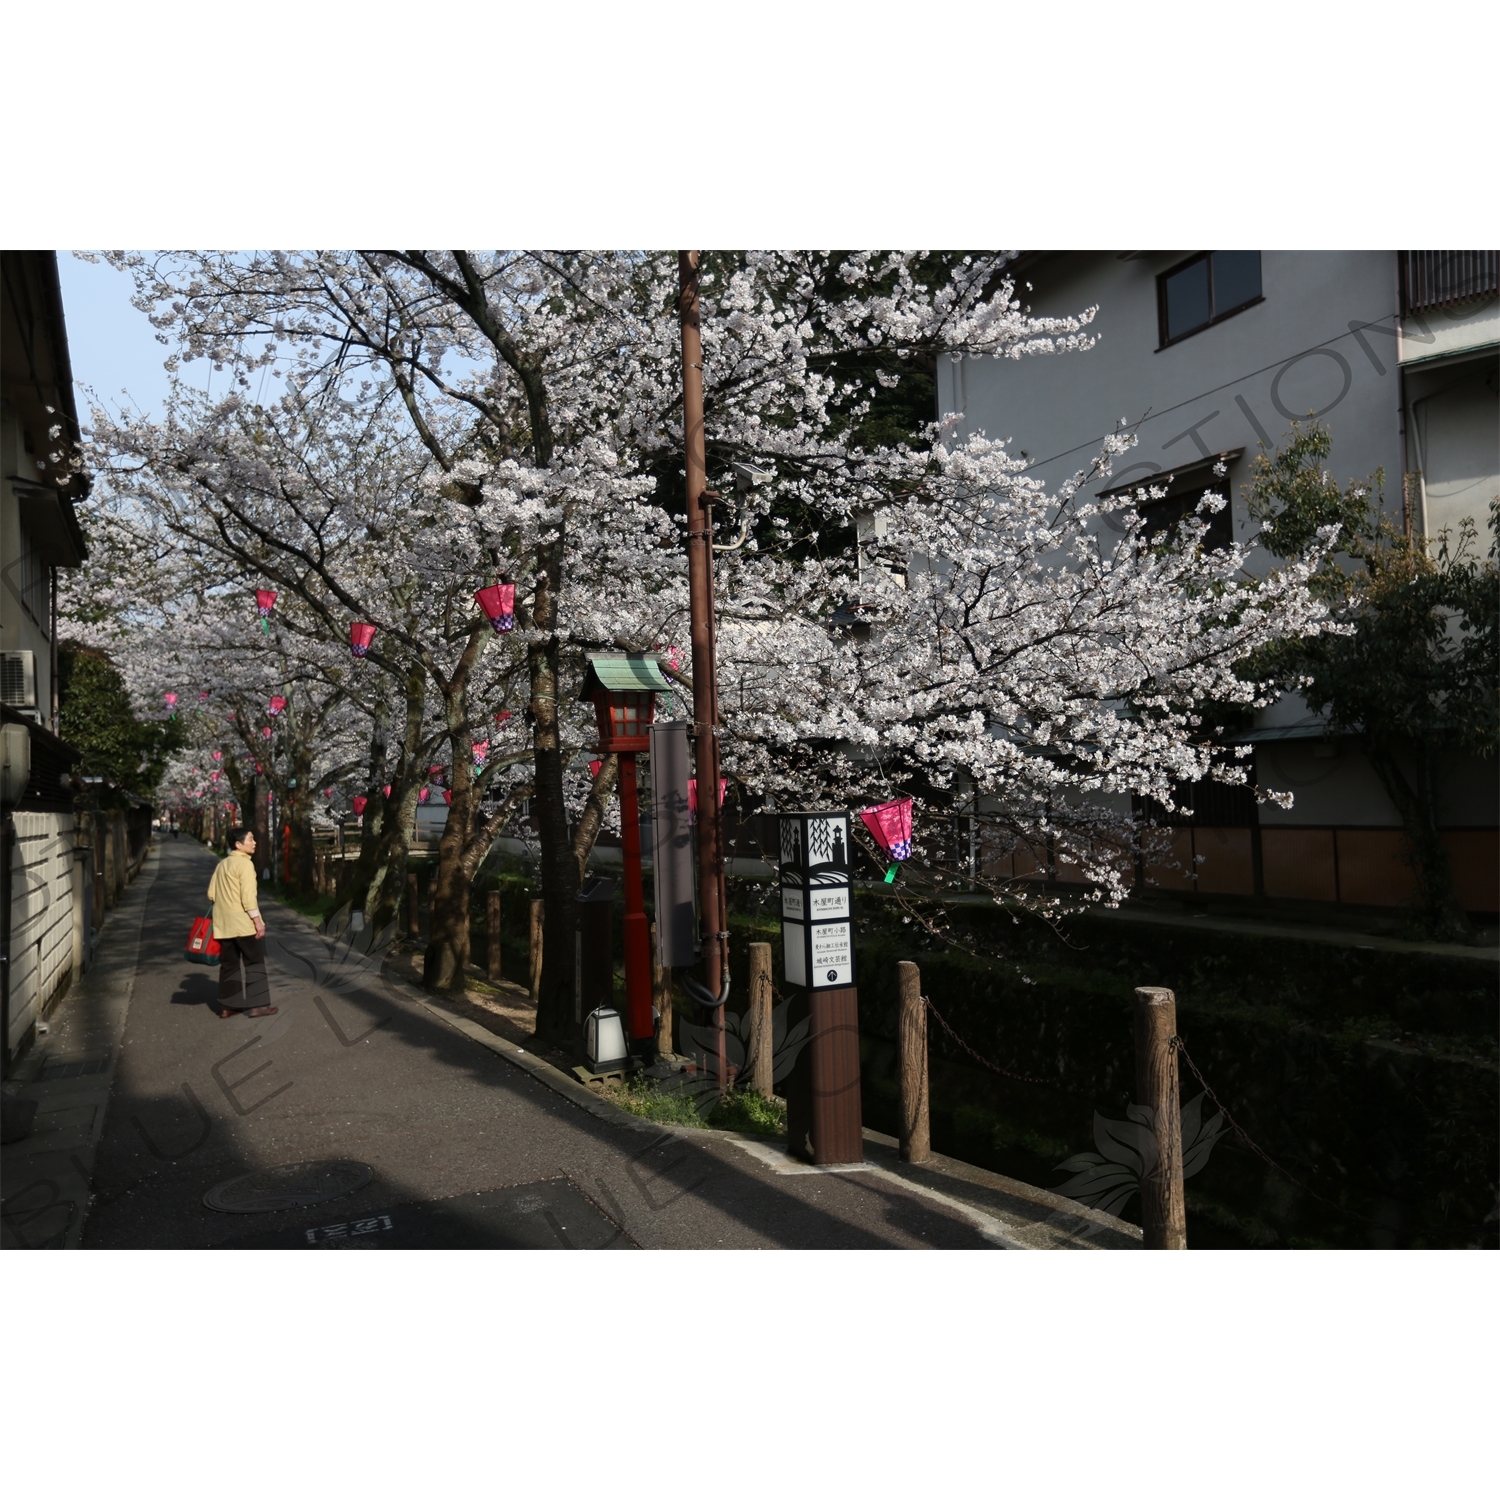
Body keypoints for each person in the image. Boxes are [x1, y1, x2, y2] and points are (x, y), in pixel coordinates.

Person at [207, 827, 277, 1019]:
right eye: (251, 839)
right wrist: (258, 922)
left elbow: (211, 894)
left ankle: (228, 1007)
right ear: (238, 844)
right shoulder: (245, 865)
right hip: (243, 923)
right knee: (254, 962)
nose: (254, 843)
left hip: (223, 924)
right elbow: (248, 898)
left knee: (229, 965)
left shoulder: (222, 865)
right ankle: (258, 1006)